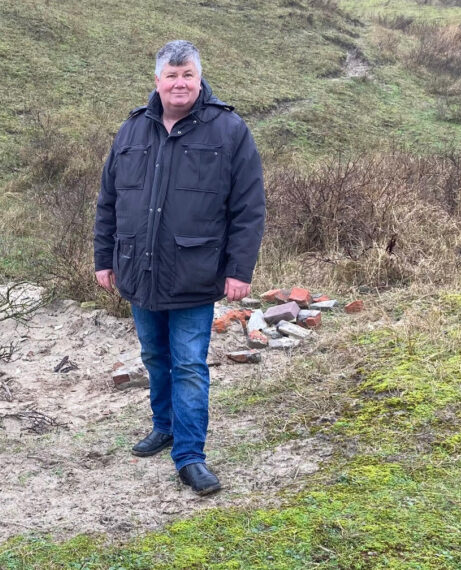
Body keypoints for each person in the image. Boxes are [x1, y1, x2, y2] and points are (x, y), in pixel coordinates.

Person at [93, 40, 265, 496]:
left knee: (188, 365)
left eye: (187, 74)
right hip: (138, 269)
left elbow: (249, 208)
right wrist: (103, 258)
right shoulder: (132, 130)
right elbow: (109, 200)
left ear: (199, 78)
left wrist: (239, 270)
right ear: (157, 81)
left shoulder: (229, 130)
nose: (179, 84)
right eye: (171, 76)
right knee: (155, 357)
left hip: (194, 272)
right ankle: (164, 426)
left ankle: (190, 457)